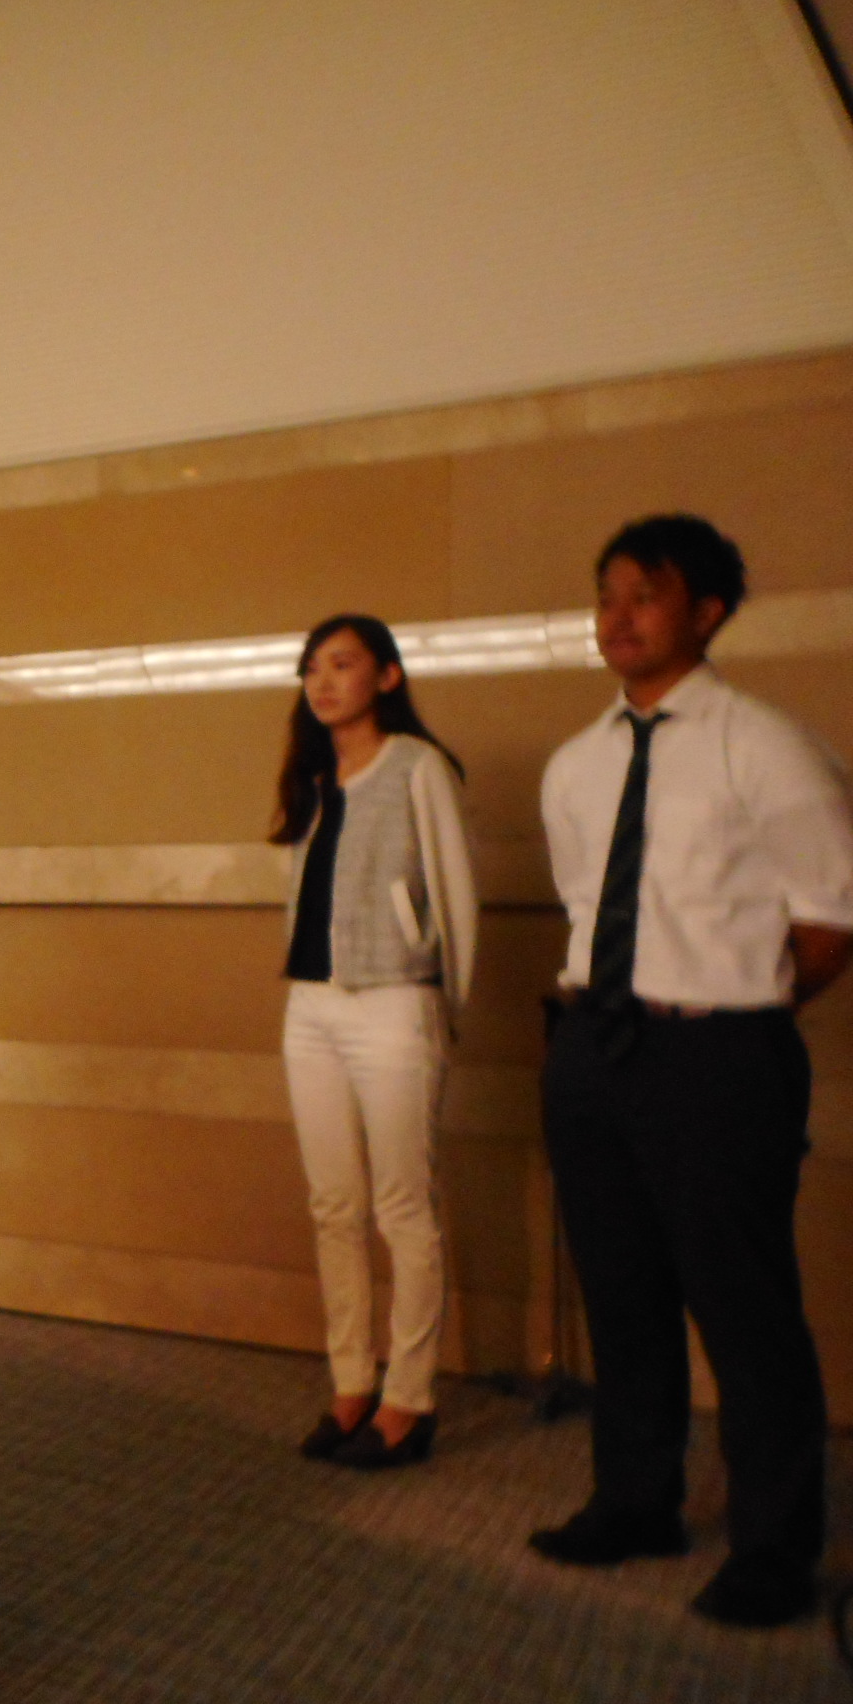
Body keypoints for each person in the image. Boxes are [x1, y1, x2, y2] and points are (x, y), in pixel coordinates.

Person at [529, 515, 853, 1627]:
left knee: (743, 1303)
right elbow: (587, 903)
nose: (617, 617)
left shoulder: (767, 745)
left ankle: (774, 1550)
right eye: (606, 595)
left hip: (718, 1051)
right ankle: (635, 1501)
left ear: (706, 613)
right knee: (619, 1292)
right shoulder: (576, 764)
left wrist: (728, 1008)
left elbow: (829, 919)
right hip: (591, 1046)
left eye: (645, 595)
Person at [274, 615, 477, 1471]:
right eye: (312, 668)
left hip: (395, 1002)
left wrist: (439, 1007)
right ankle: (352, 1382)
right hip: (311, 1007)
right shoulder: (315, 777)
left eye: (343, 664)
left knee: (403, 1208)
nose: (323, 682)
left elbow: (456, 896)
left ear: (387, 677)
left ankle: (410, 1399)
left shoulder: (417, 766)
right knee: (334, 1206)